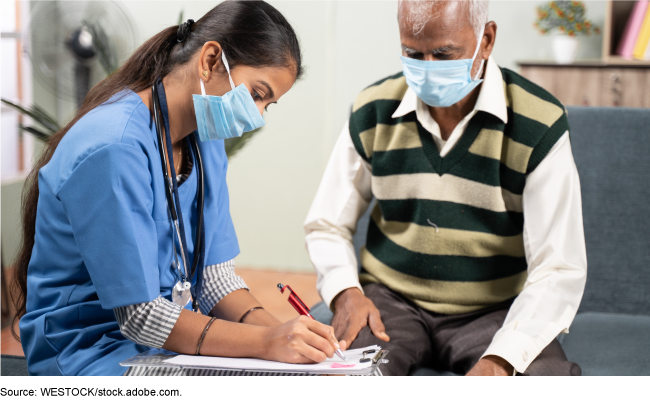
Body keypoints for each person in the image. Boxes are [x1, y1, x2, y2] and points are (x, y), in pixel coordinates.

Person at [14, 0, 344, 376]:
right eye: (256, 94)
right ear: (210, 60)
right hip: (92, 352)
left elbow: (215, 279)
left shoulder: (205, 144)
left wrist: (292, 336)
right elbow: (140, 316)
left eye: (269, 105)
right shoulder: (113, 147)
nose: (257, 117)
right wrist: (268, 344)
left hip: (170, 342)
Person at [304, 0, 587, 376]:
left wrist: (501, 360)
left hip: (492, 310)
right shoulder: (372, 109)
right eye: (413, 53)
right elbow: (326, 223)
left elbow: (557, 266)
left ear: (486, 40)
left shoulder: (539, 122)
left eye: (444, 53)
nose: (427, 68)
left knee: (539, 379)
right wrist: (345, 293)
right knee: (342, 376)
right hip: (390, 303)